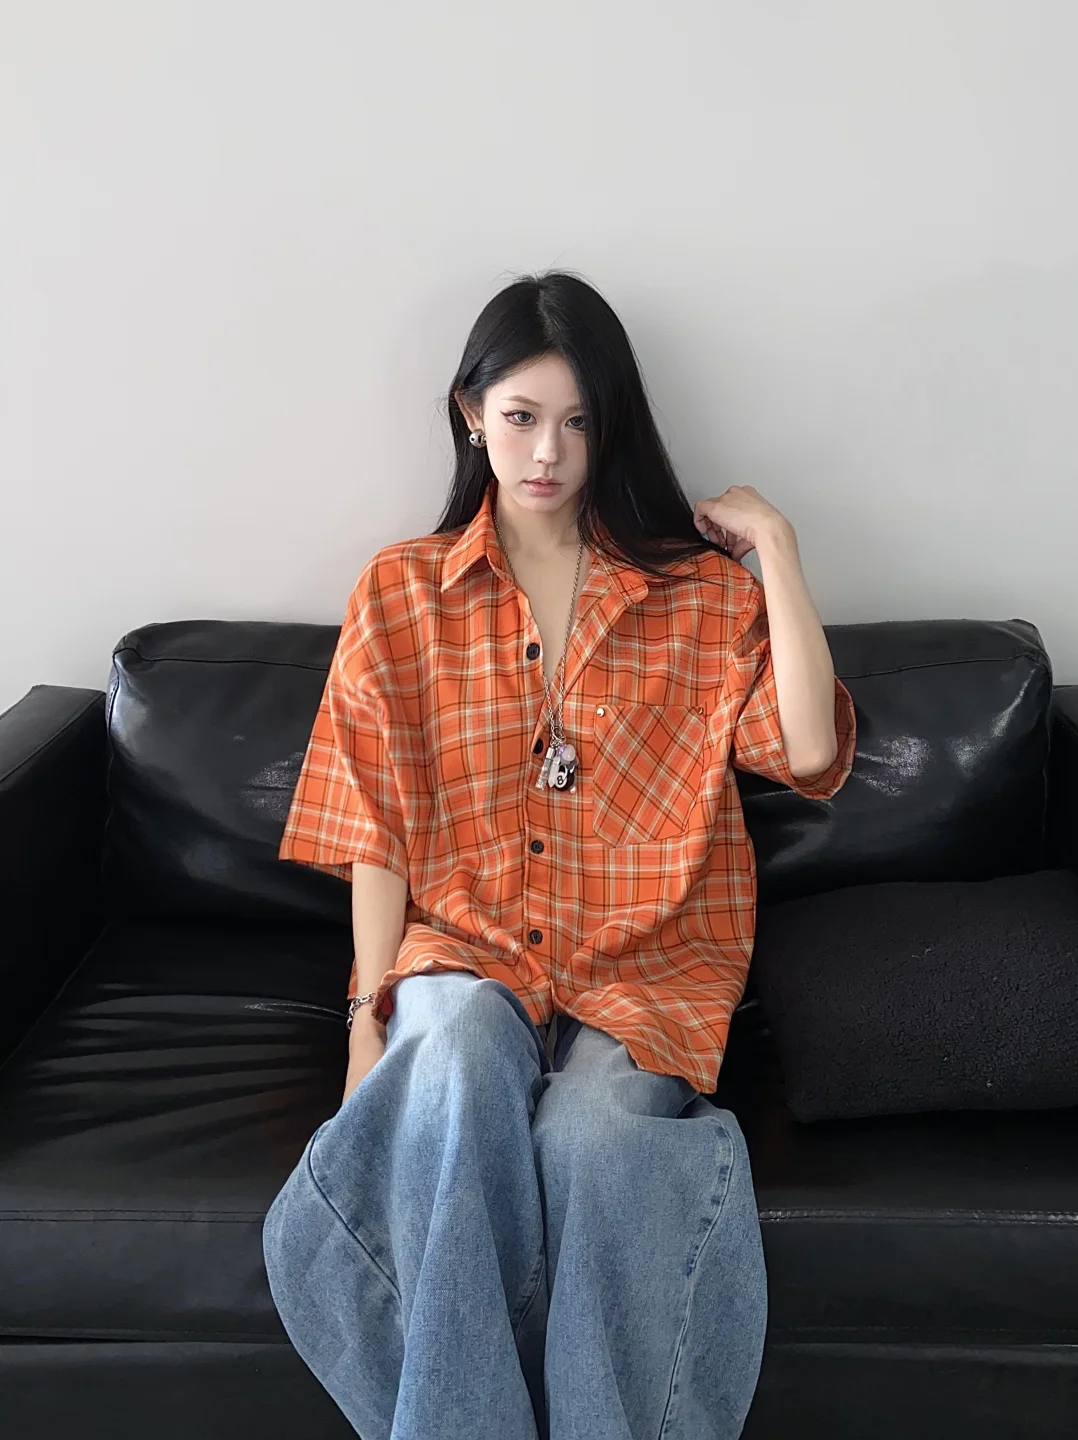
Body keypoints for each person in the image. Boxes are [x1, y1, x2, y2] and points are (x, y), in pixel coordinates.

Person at [262, 269, 858, 1439]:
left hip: (643, 963)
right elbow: (373, 821)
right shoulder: (401, 591)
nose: (549, 452)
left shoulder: (697, 597)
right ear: (469, 413)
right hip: (465, 947)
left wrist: (779, 551)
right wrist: (366, 1023)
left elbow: (807, 747)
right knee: (455, 1060)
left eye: (579, 422)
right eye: (523, 416)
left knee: (594, 1142)